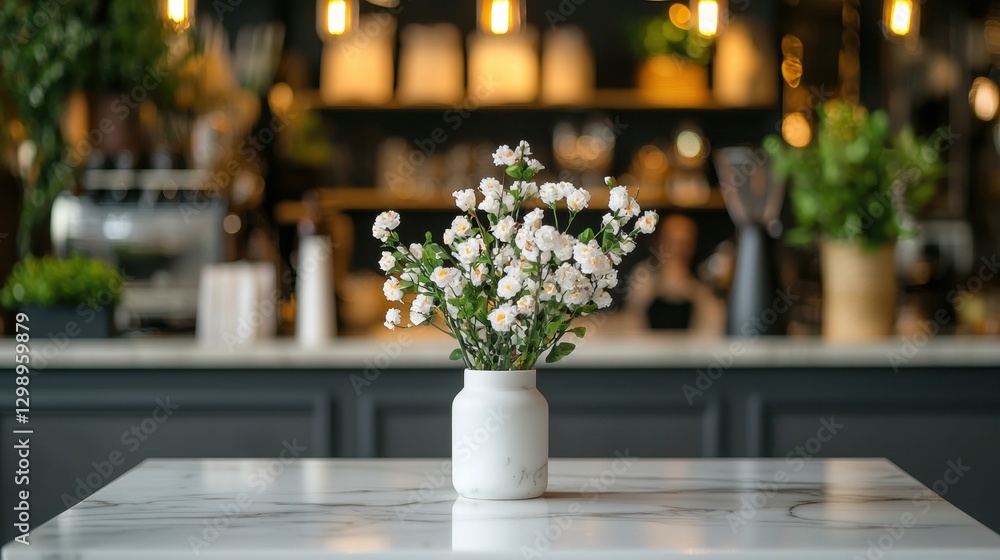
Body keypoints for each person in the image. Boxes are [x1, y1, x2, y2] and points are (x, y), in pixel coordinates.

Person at [624, 214, 725, 336]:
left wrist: (688, 288)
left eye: (684, 244)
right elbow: (632, 322)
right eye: (671, 242)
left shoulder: (705, 281)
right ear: (657, 243)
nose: (677, 250)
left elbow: (714, 330)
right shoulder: (643, 274)